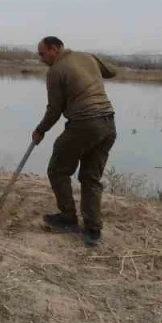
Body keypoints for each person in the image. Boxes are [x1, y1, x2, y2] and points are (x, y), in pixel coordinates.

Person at [31, 36, 118, 245]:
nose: (41, 59)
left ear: (54, 49)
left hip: (84, 124)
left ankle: (68, 218)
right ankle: (93, 231)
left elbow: (54, 110)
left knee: (57, 169)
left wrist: (40, 130)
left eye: (42, 54)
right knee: (91, 178)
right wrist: (90, 67)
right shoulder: (87, 57)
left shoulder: (55, 71)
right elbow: (112, 72)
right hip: (108, 124)